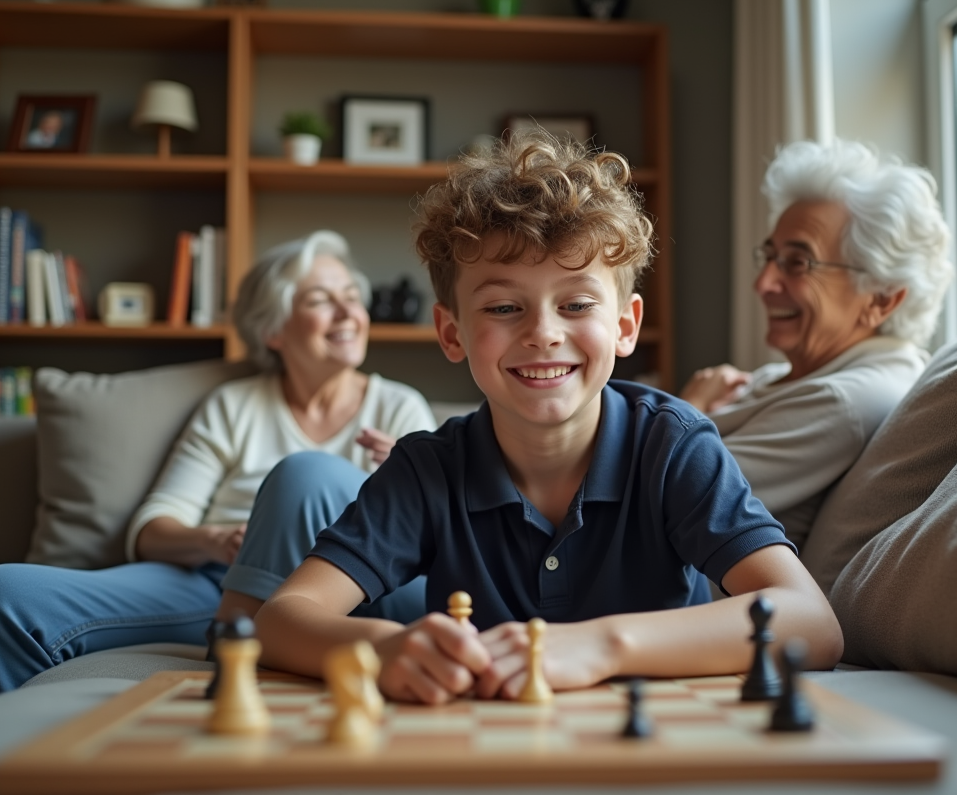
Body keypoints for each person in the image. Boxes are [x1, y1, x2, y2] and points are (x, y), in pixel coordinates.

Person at [253, 133, 843, 704]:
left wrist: (604, 645)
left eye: (577, 304)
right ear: (451, 332)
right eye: (504, 307)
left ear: (625, 325)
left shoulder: (672, 443)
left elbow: (812, 623)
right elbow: (281, 619)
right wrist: (384, 649)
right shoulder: (427, 468)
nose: (543, 333)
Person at [0, 231, 436, 703]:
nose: (349, 312)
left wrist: (408, 477)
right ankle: (9, 772)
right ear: (272, 329)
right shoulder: (234, 405)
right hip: (216, 583)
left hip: (344, 591)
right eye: (320, 300)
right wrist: (213, 539)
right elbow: (152, 528)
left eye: (353, 296)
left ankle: (239, 656)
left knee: (303, 473)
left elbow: (432, 549)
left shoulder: (398, 408)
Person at [680, 140, 953, 548]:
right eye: (770, 256)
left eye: (798, 262)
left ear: (881, 297)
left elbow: (664, 499)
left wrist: (687, 410)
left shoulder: (845, 401)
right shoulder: (798, 376)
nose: (763, 284)